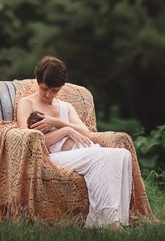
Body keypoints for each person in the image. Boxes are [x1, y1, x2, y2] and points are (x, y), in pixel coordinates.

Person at [16, 55, 133, 228]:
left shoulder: (66, 107)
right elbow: (30, 141)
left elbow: (86, 132)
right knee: (97, 156)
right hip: (51, 157)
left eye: (54, 90)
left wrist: (59, 123)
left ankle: (119, 219)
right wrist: (66, 131)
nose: (48, 95)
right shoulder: (27, 103)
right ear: (37, 81)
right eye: (44, 88)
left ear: (61, 87)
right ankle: (109, 223)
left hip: (77, 152)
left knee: (122, 155)